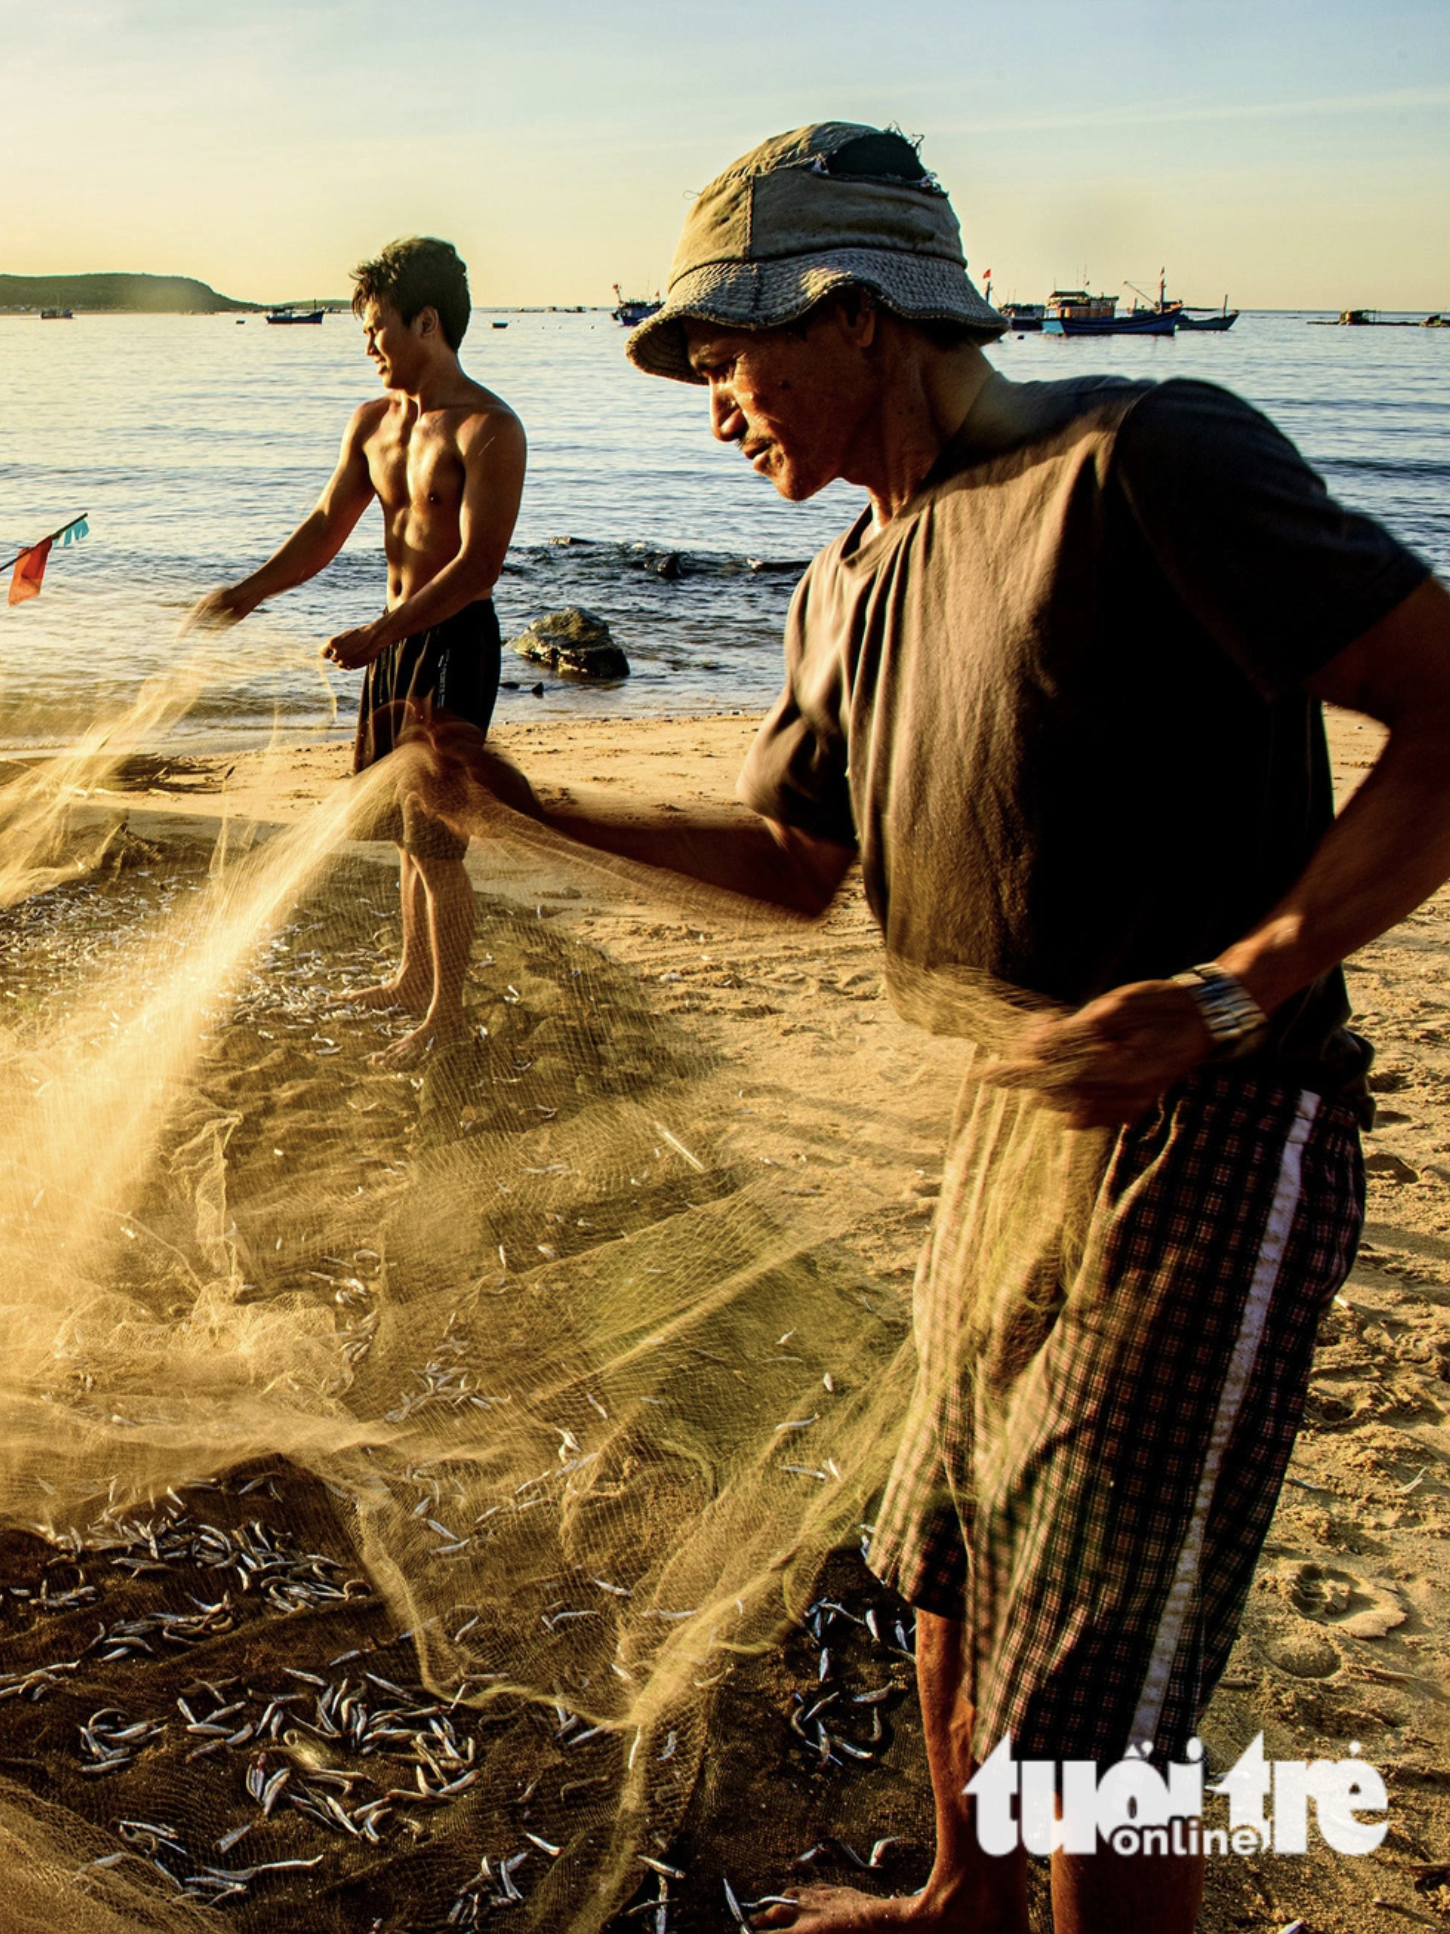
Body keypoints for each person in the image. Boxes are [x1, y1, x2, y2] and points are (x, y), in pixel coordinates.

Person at [438, 124, 1450, 1933]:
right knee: (947, 1556)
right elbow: (789, 862)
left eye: (722, 355)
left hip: (1216, 1128)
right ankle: (959, 1902)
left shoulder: (1140, 464)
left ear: (857, 318)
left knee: (1099, 1688)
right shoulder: (844, 585)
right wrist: (533, 811)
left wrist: (1239, 986)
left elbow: (1442, 712)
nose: (711, 399)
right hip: (1014, 1114)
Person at [189, 236, 527, 1067]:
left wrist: (382, 630)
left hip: (449, 648)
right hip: (391, 653)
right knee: (405, 837)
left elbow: (478, 569)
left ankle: (447, 1019)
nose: (369, 344)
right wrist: (248, 591)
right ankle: (412, 980)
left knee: (439, 843)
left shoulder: (489, 429)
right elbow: (324, 529)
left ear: (427, 321)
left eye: (379, 327)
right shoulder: (372, 424)